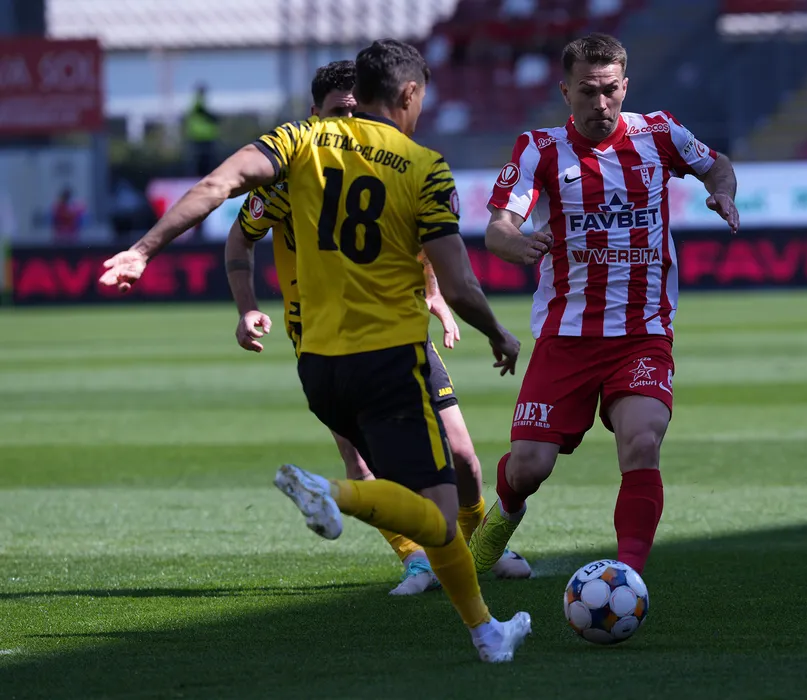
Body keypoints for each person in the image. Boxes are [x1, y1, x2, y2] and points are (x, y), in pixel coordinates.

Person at [98, 39, 532, 664]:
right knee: (435, 517)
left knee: (424, 490)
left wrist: (143, 250)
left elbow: (218, 184)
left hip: (320, 366)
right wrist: (496, 331)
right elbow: (462, 283)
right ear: (409, 94)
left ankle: (488, 634)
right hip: (391, 358)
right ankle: (335, 495)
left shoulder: (298, 143)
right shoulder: (424, 167)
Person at [225, 60, 531, 595]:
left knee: (461, 454)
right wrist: (246, 307)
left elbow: (423, 237)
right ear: (314, 113)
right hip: (321, 337)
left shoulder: (393, 163)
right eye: (337, 111)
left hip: (397, 330)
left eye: (355, 109)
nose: (348, 120)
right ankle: (415, 559)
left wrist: (434, 293)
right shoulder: (293, 175)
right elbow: (240, 236)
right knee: (360, 460)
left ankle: (479, 543)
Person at [468, 33, 740, 577]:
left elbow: (717, 164)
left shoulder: (660, 133)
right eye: (588, 91)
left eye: (610, 89)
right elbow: (498, 227)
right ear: (565, 91)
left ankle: (628, 576)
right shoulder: (539, 149)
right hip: (567, 337)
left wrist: (724, 192)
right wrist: (517, 244)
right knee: (528, 467)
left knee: (642, 441)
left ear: (625, 86)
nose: (600, 103)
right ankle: (503, 515)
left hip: (642, 333)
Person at [185, 84, 220, 177]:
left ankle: (201, 176)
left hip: (203, 136)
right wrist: (213, 118)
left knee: (204, 161)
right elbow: (203, 112)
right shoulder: (198, 103)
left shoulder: (199, 102)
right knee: (202, 161)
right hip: (201, 136)